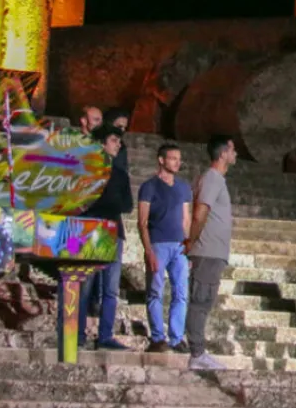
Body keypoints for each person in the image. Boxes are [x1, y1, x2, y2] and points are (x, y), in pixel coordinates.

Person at [183, 136, 236, 370]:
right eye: (232, 149)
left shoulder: (217, 180)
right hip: (206, 251)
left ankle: (198, 352)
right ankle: (197, 353)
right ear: (223, 153)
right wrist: (191, 242)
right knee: (200, 300)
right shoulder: (212, 179)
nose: (235, 153)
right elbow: (200, 212)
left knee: (204, 301)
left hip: (214, 253)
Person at [78, 126, 133, 350]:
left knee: (111, 288)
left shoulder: (120, 173)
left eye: (119, 141)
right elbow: (82, 201)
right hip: (92, 230)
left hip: (114, 231)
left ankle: (105, 335)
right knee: (85, 285)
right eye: (113, 140)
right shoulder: (88, 170)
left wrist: (106, 203)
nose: (117, 144)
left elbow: (127, 205)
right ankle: (78, 333)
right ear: (101, 143)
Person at [138, 143, 191, 353]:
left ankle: (176, 338)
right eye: (173, 158)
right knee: (155, 291)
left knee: (181, 292)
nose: (177, 162)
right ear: (161, 160)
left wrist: (189, 245)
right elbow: (142, 221)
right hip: (158, 244)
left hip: (179, 246)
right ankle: (157, 337)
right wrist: (148, 249)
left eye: (179, 159)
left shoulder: (184, 187)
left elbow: (186, 219)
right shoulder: (149, 187)